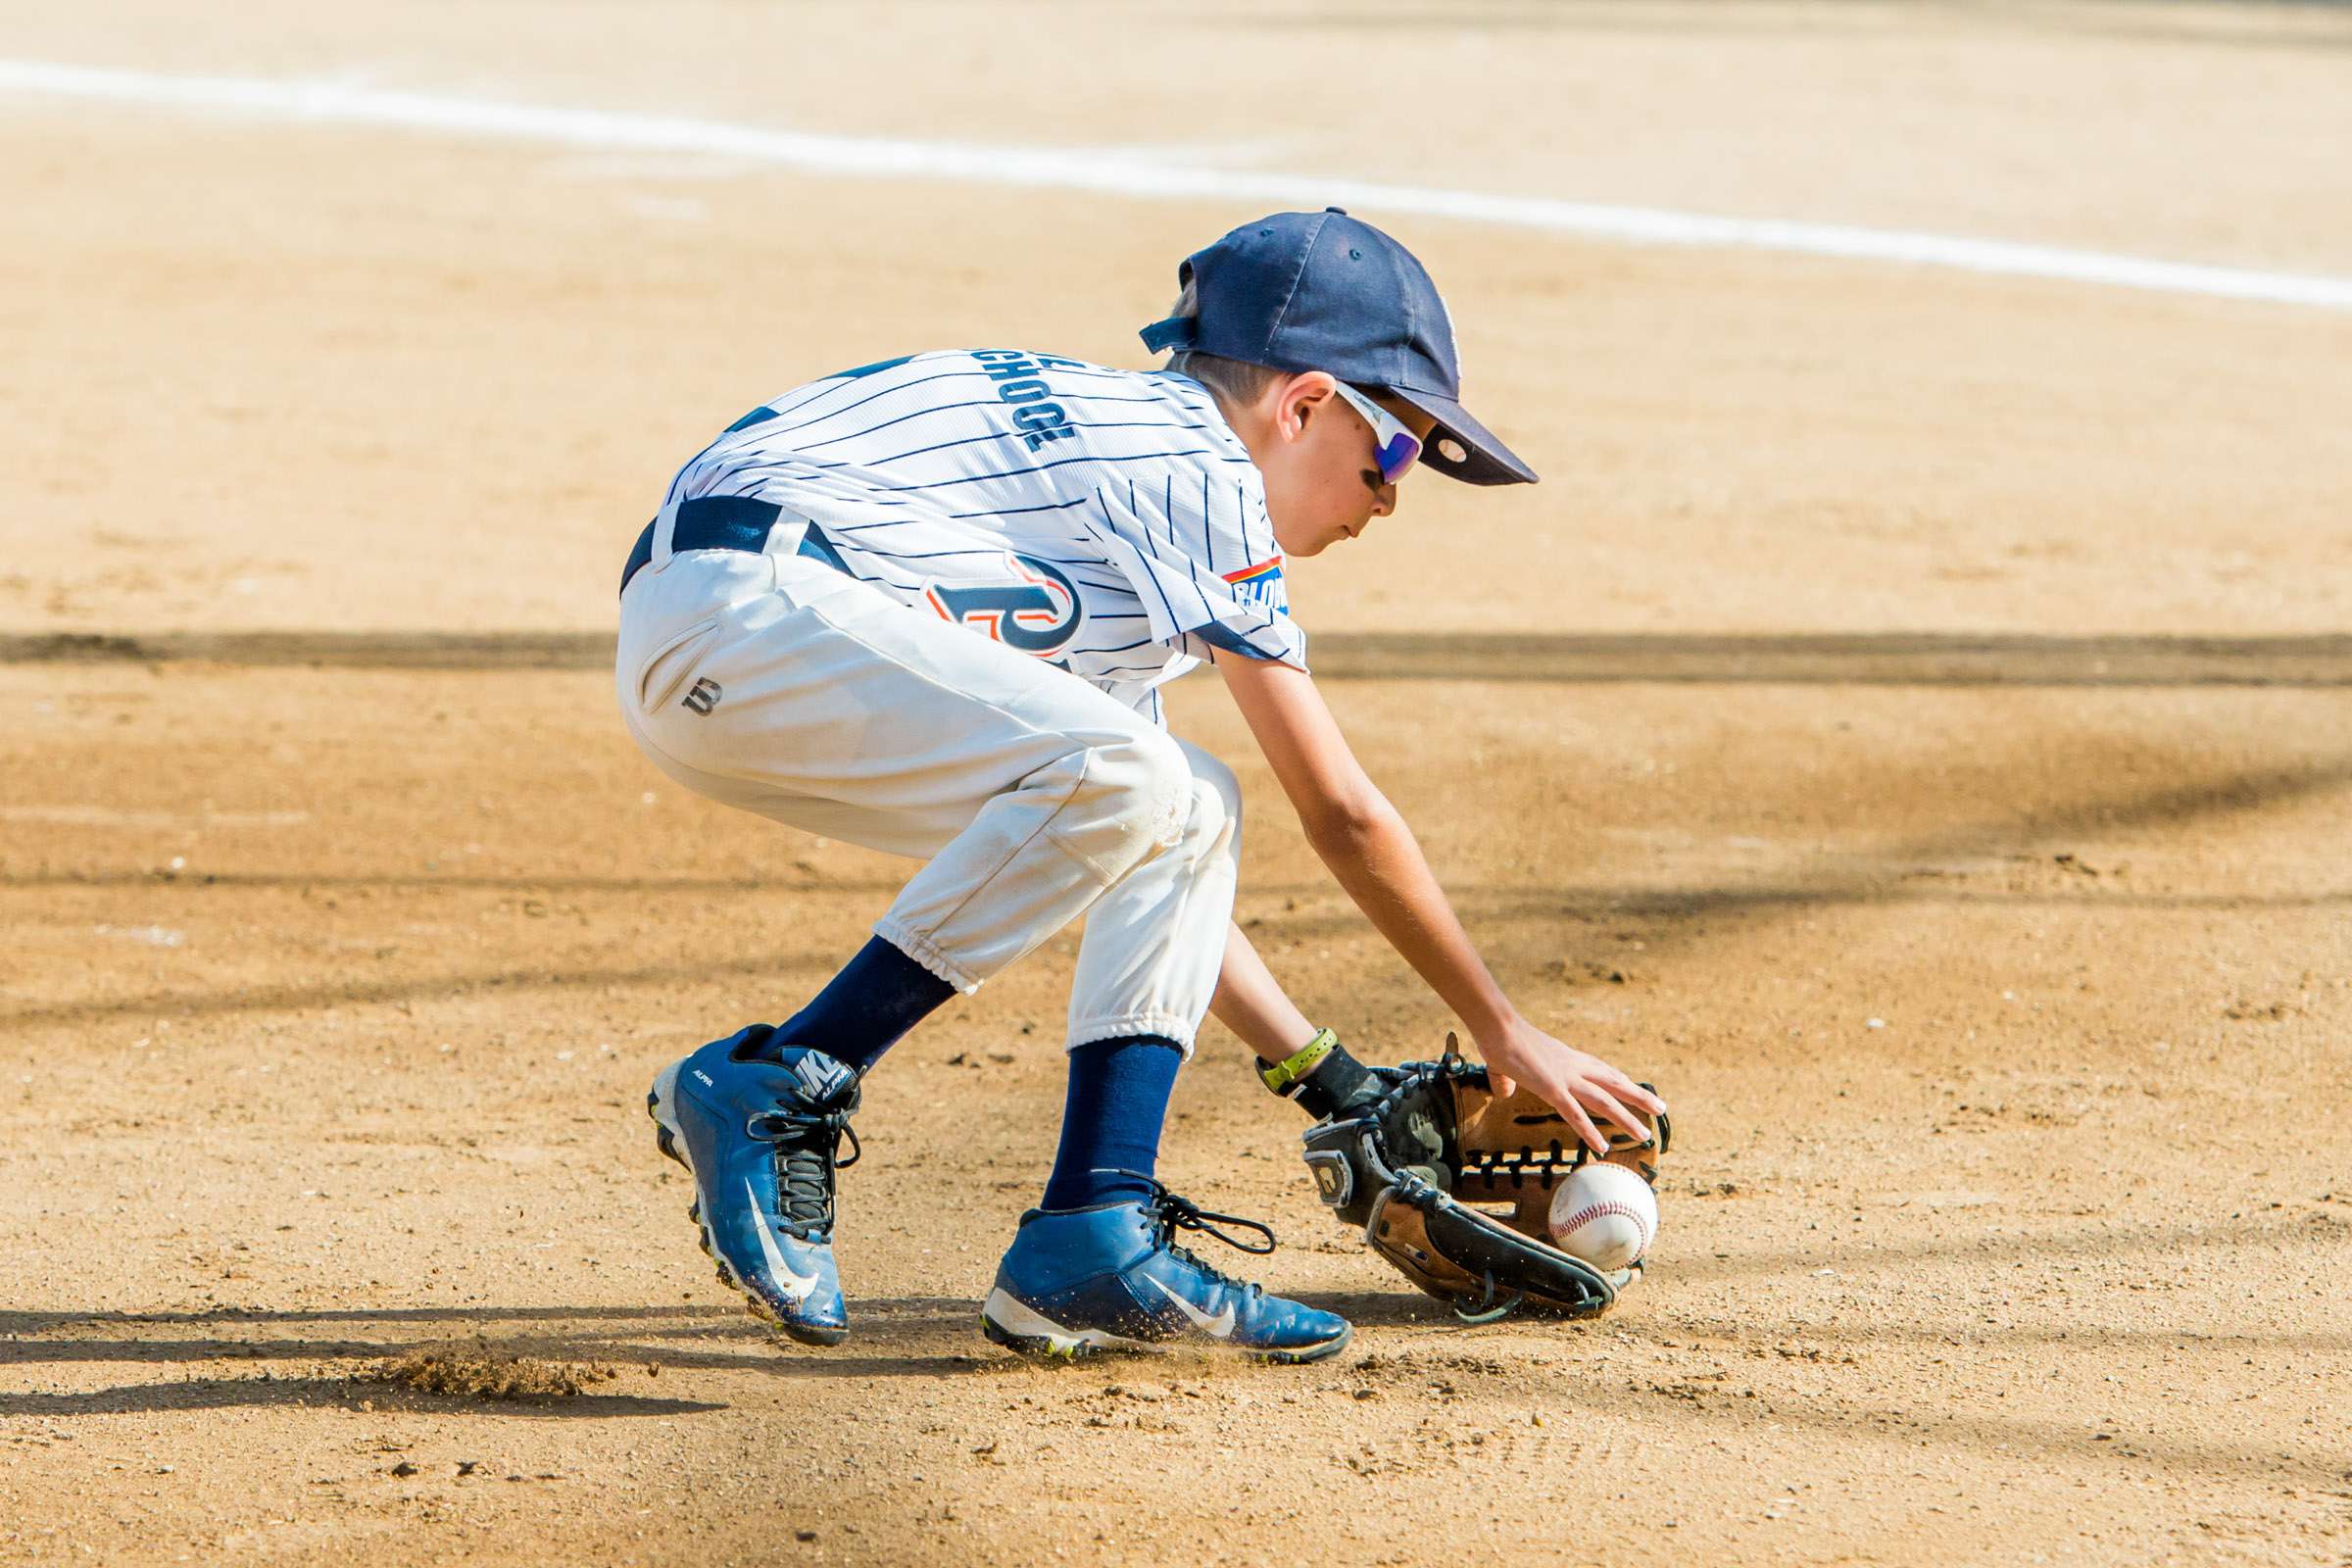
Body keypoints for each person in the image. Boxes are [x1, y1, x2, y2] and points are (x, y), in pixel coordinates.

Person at [616, 208, 1664, 1364]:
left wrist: (1337, 1085)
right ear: (1303, 403)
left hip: (755, 648)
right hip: (749, 608)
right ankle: (783, 1074)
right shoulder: (1192, 457)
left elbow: (1152, 840)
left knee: (1179, 802)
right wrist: (1503, 1027)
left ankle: (1091, 1234)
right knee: (1145, 778)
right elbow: (1343, 810)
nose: (1391, 499)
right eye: (1396, 451)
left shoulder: (1100, 513)